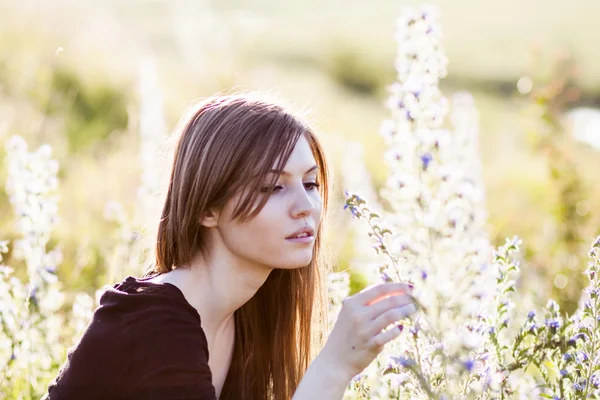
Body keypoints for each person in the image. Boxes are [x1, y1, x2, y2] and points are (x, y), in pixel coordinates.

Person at [43, 94, 416, 400]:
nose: (305, 206)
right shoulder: (155, 325)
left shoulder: (245, 318)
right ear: (207, 208)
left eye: (311, 184)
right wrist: (335, 366)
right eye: (272, 187)